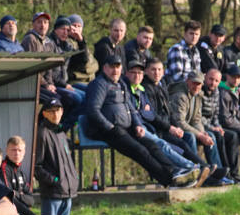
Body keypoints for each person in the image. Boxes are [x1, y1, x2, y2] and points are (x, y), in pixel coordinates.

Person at [82, 55, 198, 188]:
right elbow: (92, 110)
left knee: (151, 145)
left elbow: (130, 108)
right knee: (140, 151)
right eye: (112, 67)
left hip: (125, 128)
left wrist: (137, 124)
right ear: (105, 68)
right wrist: (110, 126)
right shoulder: (99, 84)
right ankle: (169, 180)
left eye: (118, 67)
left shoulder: (120, 84)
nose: (115, 70)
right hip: (106, 130)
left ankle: (174, 171)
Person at [144, 59, 231, 184]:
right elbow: (178, 121)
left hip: (170, 127)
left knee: (211, 135)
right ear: (187, 81)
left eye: (199, 84)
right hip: (166, 129)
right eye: (194, 83)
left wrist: (202, 132)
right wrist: (199, 135)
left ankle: (215, 173)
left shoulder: (197, 95)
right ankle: (199, 174)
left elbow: (196, 118)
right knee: (189, 137)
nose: (196, 86)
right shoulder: (179, 95)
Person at [130, 63, 211, 184]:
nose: (156, 73)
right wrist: (170, 128)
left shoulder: (160, 86)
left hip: (163, 127)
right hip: (156, 130)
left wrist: (176, 127)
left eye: (159, 70)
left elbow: (170, 113)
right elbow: (151, 117)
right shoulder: (145, 88)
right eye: (153, 69)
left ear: (163, 72)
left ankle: (204, 170)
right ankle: (196, 170)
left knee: (192, 136)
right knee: (175, 144)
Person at [35, 97, 79, 215]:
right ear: (44, 113)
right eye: (52, 111)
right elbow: (36, 166)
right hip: (53, 192)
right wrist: (53, 180)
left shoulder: (61, 132)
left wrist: (72, 180)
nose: (56, 114)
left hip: (67, 191)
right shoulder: (42, 133)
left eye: (59, 110)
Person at [201, 68, 240, 181]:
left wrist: (218, 126)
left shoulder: (216, 92)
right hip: (201, 127)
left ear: (220, 82)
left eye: (216, 81)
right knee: (217, 136)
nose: (213, 83)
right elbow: (198, 117)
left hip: (211, 126)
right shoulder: (199, 91)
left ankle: (233, 173)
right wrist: (213, 128)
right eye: (210, 79)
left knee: (232, 136)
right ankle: (221, 172)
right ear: (205, 78)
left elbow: (215, 115)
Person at [166, 20, 203, 85]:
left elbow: (198, 72)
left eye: (196, 34)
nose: (194, 37)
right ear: (185, 34)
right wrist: (194, 80)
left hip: (193, 87)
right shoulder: (177, 49)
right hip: (176, 88)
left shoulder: (196, 50)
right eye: (191, 33)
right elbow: (177, 77)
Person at [66, 15, 98, 85]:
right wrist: (80, 40)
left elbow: (95, 64)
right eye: (74, 25)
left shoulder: (83, 42)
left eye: (79, 26)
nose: (76, 29)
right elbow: (83, 62)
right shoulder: (67, 42)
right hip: (75, 81)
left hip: (89, 80)